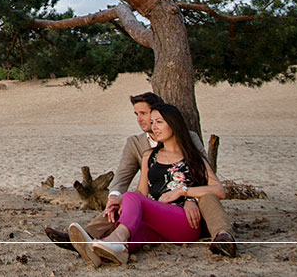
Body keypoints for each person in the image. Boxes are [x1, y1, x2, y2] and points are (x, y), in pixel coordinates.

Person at [45, 92, 236, 257]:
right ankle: (91, 246)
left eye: (148, 116)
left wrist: (187, 194)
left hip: (186, 214)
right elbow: (128, 181)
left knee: (134, 200)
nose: (145, 122)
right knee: (127, 215)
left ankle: (224, 238)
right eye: (141, 116)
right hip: (155, 212)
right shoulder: (143, 151)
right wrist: (116, 200)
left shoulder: (191, 145)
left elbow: (209, 182)